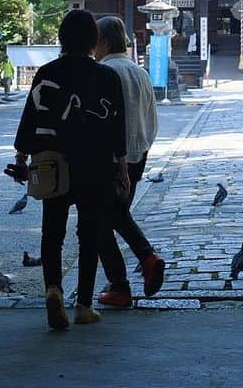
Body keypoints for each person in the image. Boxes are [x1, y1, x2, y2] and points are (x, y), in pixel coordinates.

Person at [10, 10, 131, 330]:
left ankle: (53, 290)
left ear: (61, 39)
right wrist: (122, 166)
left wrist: (22, 157)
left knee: (53, 232)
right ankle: (84, 305)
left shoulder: (47, 72)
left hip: (53, 163)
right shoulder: (107, 77)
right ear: (94, 40)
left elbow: (30, 119)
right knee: (89, 235)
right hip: (95, 164)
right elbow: (118, 127)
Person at [93, 17, 166, 306]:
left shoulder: (103, 72)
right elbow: (152, 120)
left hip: (110, 159)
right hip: (137, 157)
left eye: (95, 41)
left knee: (98, 222)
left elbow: (101, 122)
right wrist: (141, 150)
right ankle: (145, 261)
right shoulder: (140, 72)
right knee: (116, 214)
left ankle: (123, 282)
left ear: (105, 42)